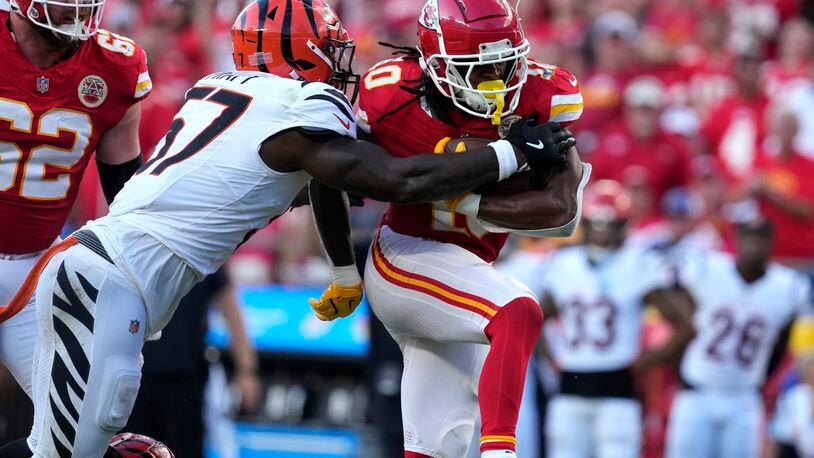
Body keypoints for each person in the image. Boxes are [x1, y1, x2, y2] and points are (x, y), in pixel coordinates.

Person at [0, 0, 576, 456]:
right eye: (328, 49)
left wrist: (344, 270)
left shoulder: (224, 93)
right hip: (108, 280)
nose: (342, 62)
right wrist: (509, 153)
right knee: (83, 446)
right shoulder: (296, 112)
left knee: (83, 446)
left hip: (95, 269)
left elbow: (328, 181)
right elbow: (395, 181)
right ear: (297, 58)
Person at [355, 0, 591, 456]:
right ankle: (502, 451)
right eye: (478, 70)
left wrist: (461, 194)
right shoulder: (390, 98)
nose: (497, 82)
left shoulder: (542, 95)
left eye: (505, 65)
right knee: (518, 310)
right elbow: (340, 178)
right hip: (407, 256)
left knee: (439, 444)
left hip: (461, 274)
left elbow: (562, 212)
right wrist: (342, 270)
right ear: (434, 65)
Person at [0, 0, 150, 451]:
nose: (77, 18)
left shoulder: (115, 67)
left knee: (82, 435)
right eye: (65, 7)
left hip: (37, 268)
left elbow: (127, 190)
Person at [514, 180, 695, 458]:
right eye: (597, 224)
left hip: (617, 391)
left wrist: (643, 363)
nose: (602, 232)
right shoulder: (565, 263)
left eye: (609, 224)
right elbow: (534, 319)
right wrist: (554, 358)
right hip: (570, 391)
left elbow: (685, 326)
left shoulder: (638, 264)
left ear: (623, 225)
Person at [666, 218, 813, 458]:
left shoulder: (788, 287)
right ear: (738, 240)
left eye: (761, 238)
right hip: (697, 391)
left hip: (743, 397)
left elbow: (782, 343)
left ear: (771, 242)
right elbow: (671, 302)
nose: (754, 244)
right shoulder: (708, 269)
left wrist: (761, 377)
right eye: (749, 237)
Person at [125, 268, 260, 457]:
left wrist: (246, 370)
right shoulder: (134, 247)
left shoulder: (199, 247)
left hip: (183, 379)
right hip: (134, 377)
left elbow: (230, 307)